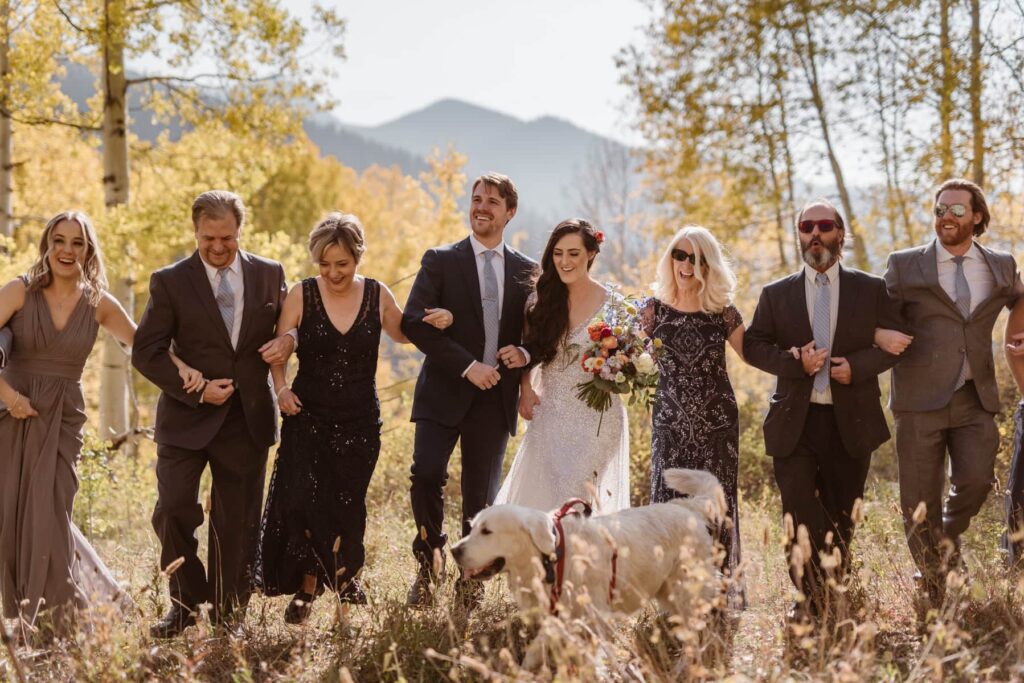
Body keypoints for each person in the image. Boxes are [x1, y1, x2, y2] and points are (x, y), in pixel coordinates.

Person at [0, 211, 198, 635]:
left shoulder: (99, 303)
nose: (66, 250)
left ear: (88, 250)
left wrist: (187, 372)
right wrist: (10, 398)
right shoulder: (18, 291)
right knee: (12, 512)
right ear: (46, 244)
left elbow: (145, 348)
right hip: (10, 414)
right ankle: (29, 615)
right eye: (59, 240)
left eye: (77, 242)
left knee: (51, 512)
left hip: (62, 419)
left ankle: (64, 619)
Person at [253, 213, 452, 624]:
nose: (333, 272)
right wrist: (281, 389)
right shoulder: (301, 294)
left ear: (358, 257)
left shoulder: (377, 295)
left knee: (347, 504)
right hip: (307, 416)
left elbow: (403, 332)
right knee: (307, 504)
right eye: (324, 264)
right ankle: (308, 589)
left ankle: (346, 581)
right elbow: (278, 350)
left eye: (341, 264)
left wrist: (435, 321)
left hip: (360, 420)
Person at [132, 190, 295, 637]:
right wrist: (200, 388)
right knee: (171, 509)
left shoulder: (269, 273)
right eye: (209, 238)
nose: (219, 247)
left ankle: (228, 615)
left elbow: (290, 325)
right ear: (195, 231)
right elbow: (146, 352)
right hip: (185, 419)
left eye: (228, 237)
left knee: (237, 523)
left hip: (248, 418)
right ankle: (185, 602)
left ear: (240, 231)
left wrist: (291, 339)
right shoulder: (169, 281)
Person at [744, 199, 903, 620]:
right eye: (806, 227)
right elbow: (754, 346)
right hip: (794, 423)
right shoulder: (775, 294)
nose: (815, 234)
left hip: (850, 422)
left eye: (824, 226)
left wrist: (859, 367)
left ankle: (832, 593)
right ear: (799, 235)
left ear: (840, 233)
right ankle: (806, 601)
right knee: (797, 510)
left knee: (841, 514)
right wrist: (794, 364)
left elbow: (897, 343)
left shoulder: (871, 289)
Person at [883, 179, 1024, 604]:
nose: (946, 217)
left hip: (974, 397)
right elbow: (876, 310)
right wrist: (877, 331)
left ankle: (944, 537)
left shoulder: (1002, 266)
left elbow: (1021, 302)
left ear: (977, 216)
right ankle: (933, 581)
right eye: (940, 209)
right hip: (918, 399)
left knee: (978, 480)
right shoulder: (905, 265)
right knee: (918, 498)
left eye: (957, 210)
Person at [401, 173, 536, 609]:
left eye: (492, 201)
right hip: (443, 391)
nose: (482, 207)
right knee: (425, 477)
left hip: (494, 400)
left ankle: (471, 578)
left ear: (509, 212)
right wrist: (467, 365)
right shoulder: (440, 260)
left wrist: (524, 351)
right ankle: (430, 561)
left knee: (480, 496)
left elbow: (537, 332)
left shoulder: (526, 271)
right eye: (476, 199)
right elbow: (412, 323)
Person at [639, 226, 745, 609]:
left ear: (709, 264)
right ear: (670, 259)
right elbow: (625, 357)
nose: (687, 264)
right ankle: (671, 597)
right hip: (668, 423)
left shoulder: (723, 313)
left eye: (697, 258)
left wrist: (798, 357)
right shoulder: (651, 310)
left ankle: (715, 596)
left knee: (715, 506)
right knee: (668, 506)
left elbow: (756, 355)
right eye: (680, 255)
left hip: (717, 425)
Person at [495, 218, 629, 513]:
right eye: (558, 253)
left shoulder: (615, 306)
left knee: (576, 499)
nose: (564, 261)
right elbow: (530, 351)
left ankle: (579, 557)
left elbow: (626, 361)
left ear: (591, 254)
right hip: (550, 412)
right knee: (543, 500)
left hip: (598, 418)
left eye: (573, 253)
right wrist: (526, 389)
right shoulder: (539, 301)